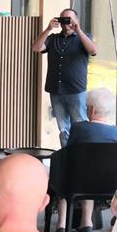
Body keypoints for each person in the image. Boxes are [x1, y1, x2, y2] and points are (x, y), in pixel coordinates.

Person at [55, 87, 117, 232]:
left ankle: (61, 225)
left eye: (87, 107)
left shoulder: (79, 128)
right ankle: (86, 225)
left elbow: (69, 152)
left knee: (69, 174)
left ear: (92, 109)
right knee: (91, 173)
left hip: (79, 182)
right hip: (110, 183)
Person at [31, 8, 98, 147]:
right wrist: (48, 29)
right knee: (63, 129)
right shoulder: (53, 38)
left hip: (76, 90)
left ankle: (81, 153)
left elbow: (93, 50)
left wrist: (78, 30)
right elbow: (36, 48)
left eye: (69, 19)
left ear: (77, 20)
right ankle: (66, 154)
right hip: (56, 90)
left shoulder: (83, 38)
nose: (66, 23)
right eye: (63, 19)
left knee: (80, 125)